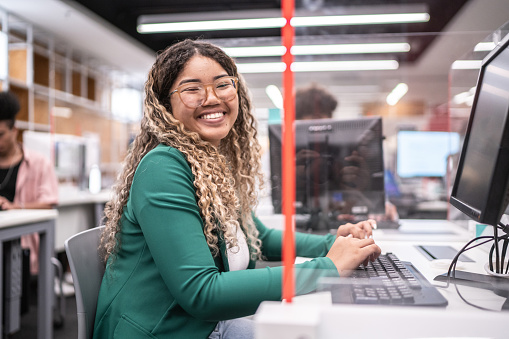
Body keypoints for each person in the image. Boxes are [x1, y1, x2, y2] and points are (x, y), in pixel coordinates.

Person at [94, 39, 381, 339]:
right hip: (163, 330)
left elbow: (260, 237)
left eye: (223, 85)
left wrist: (333, 244)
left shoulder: (212, 164)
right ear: (166, 106)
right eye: (192, 89)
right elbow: (202, 293)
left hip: (201, 325)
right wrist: (327, 268)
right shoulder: (163, 167)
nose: (212, 98)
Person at [295, 83, 399, 223]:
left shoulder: (347, 150)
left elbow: (368, 198)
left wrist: (378, 205)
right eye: (315, 116)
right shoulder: (286, 156)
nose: (323, 122)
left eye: (328, 115)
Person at [0, 91, 59, 275]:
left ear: (14, 131)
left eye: (0, 134)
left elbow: (49, 203)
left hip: (22, 248)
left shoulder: (39, 163)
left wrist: (15, 207)